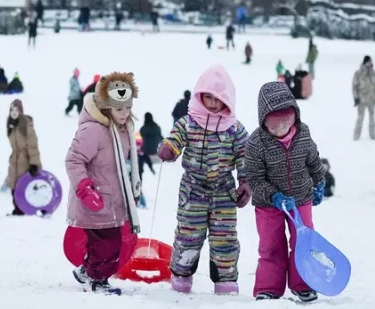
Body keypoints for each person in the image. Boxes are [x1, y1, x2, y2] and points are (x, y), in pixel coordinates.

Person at [157, 66, 250, 295]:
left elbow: (244, 155)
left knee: (224, 238)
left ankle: (225, 282)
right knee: (188, 234)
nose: (212, 103)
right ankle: (181, 277)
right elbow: (175, 138)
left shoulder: (235, 128)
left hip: (224, 192)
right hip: (193, 190)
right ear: (200, 96)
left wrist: (245, 182)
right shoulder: (189, 122)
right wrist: (169, 148)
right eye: (208, 97)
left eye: (218, 99)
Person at [242, 82, 326, 303]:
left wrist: (319, 182)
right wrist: (274, 196)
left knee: (303, 243)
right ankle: (269, 287)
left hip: (300, 199)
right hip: (269, 204)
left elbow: (314, 161)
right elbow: (254, 178)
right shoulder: (256, 143)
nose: (280, 132)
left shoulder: (303, 134)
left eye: (284, 125)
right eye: (274, 127)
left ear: (293, 118)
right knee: (271, 246)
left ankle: (303, 283)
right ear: (264, 121)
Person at [66, 72, 142, 296]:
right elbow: (73, 159)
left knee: (103, 243)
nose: (125, 113)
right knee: (108, 245)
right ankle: (96, 280)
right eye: (119, 109)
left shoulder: (122, 128)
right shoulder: (94, 130)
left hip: (111, 199)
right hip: (94, 199)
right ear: (106, 107)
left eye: (128, 108)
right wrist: (84, 188)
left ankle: (86, 271)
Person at [6, 99, 42, 215]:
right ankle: (17, 209)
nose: (14, 112)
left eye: (17, 110)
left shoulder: (25, 124)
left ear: (21, 111)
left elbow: (32, 146)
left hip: (26, 162)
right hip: (15, 161)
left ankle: (24, 209)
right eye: (12, 110)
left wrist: (34, 164)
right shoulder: (11, 124)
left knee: (24, 186)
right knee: (13, 186)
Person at [352, 56, 375, 141]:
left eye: (371, 62)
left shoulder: (374, 73)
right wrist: (356, 97)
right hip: (362, 99)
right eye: (368, 62)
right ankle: (356, 136)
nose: (370, 63)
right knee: (360, 118)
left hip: (372, 99)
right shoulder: (358, 73)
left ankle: (372, 136)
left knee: (372, 119)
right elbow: (354, 86)